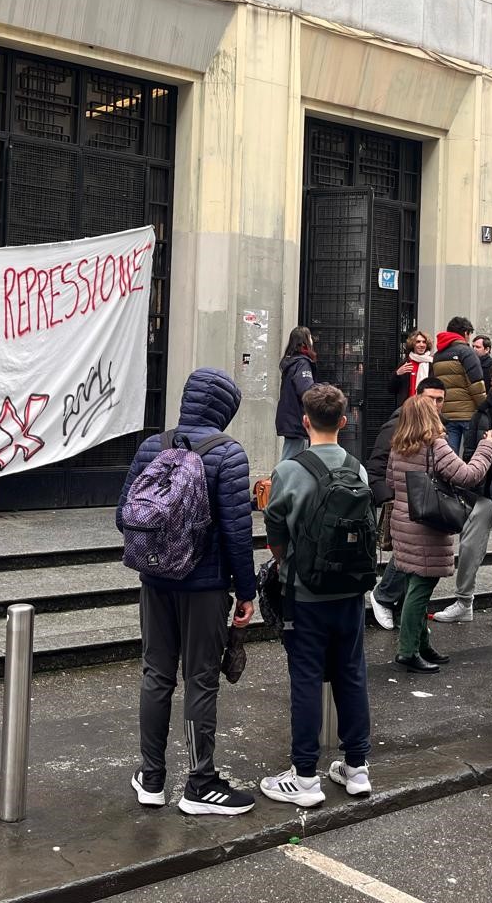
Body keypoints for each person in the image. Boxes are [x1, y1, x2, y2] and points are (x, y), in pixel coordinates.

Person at [119, 367, 257, 815]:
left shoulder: (152, 447)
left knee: (156, 674)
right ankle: (200, 783)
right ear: (225, 410)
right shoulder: (228, 454)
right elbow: (237, 534)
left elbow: (124, 516)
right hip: (205, 587)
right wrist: (247, 591)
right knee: (201, 679)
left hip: (155, 581)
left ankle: (151, 778)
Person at [259, 384, 373, 807]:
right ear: (344, 421)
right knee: (352, 673)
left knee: (306, 678)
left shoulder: (288, 471)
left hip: (305, 592)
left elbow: (275, 529)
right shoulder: (358, 469)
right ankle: (356, 767)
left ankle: (305, 775)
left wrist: (283, 561)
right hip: (350, 590)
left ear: (305, 421)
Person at [384, 394, 492, 672]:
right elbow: (469, 475)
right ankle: (408, 651)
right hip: (427, 528)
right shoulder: (436, 445)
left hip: (403, 523)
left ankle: (422, 644)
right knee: (421, 589)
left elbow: (391, 482)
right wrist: (487, 446)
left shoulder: (399, 446)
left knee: (414, 584)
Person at [435, 361, 492, 627]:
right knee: (469, 546)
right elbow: (469, 450)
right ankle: (463, 601)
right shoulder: (482, 413)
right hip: (484, 492)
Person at [366, 378, 445, 630]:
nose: (435, 404)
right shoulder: (397, 424)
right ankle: (384, 596)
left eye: (440, 400)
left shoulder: (434, 426)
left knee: (416, 559)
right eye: (430, 399)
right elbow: (376, 465)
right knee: (408, 555)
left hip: (425, 503)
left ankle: (404, 612)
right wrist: (389, 497)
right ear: (417, 397)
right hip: (403, 502)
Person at [429, 316, 488, 450]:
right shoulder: (466, 352)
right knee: (470, 454)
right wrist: (484, 407)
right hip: (468, 414)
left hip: (446, 414)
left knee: (449, 455)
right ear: (466, 333)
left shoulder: (438, 355)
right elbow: (476, 384)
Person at [276, 327, 316, 462]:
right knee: (291, 460)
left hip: (290, 418)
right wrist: (322, 388)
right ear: (305, 341)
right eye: (310, 337)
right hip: (297, 420)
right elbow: (306, 390)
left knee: (295, 459)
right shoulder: (302, 363)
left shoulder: (292, 362)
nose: (312, 340)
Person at [390, 330, 434, 402]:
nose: (421, 345)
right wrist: (397, 374)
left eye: (424, 342)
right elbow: (391, 389)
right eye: (418, 342)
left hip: (426, 404)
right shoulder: (405, 363)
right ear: (412, 344)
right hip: (407, 405)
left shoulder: (431, 363)